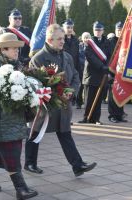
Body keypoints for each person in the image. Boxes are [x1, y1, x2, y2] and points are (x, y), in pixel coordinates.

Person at [24, 24, 97, 177]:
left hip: (64, 105)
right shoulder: (38, 58)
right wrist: (57, 94)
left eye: (63, 38)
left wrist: (72, 92)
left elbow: (76, 76)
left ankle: (77, 165)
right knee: (36, 133)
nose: (63, 41)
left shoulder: (67, 56)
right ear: (49, 39)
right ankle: (30, 163)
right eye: (59, 39)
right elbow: (37, 83)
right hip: (46, 107)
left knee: (65, 133)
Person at [0, 32, 38, 200]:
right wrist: (13, 94)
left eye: (18, 48)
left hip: (11, 117)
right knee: (11, 151)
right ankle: (21, 189)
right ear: (3, 49)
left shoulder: (14, 64)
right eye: (14, 48)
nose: (17, 51)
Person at [78, 21, 111, 125]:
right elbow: (89, 55)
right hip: (91, 74)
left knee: (98, 99)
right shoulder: (89, 42)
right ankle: (86, 117)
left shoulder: (107, 42)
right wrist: (102, 66)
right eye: (96, 30)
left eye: (99, 30)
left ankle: (96, 118)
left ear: (103, 31)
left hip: (102, 74)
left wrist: (108, 66)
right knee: (89, 98)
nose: (98, 32)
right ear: (93, 30)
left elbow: (111, 55)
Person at [107, 22, 127, 123]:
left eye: (121, 30)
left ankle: (120, 114)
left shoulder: (125, 42)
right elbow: (107, 57)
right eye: (118, 30)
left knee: (121, 92)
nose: (120, 32)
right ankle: (112, 115)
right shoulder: (110, 42)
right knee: (112, 94)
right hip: (112, 71)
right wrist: (108, 72)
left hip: (122, 71)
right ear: (115, 31)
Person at [62, 18, 81, 108]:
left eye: (71, 27)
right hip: (63, 67)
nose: (69, 29)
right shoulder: (61, 40)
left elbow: (77, 55)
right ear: (64, 27)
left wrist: (78, 68)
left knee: (71, 87)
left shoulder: (76, 40)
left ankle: (71, 103)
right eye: (68, 27)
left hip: (73, 67)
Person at [78, 32, 91, 109]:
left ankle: (87, 103)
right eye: (85, 37)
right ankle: (78, 102)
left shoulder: (93, 47)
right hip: (80, 68)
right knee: (80, 87)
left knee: (87, 88)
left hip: (88, 70)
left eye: (88, 37)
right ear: (82, 38)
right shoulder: (79, 46)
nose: (86, 39)